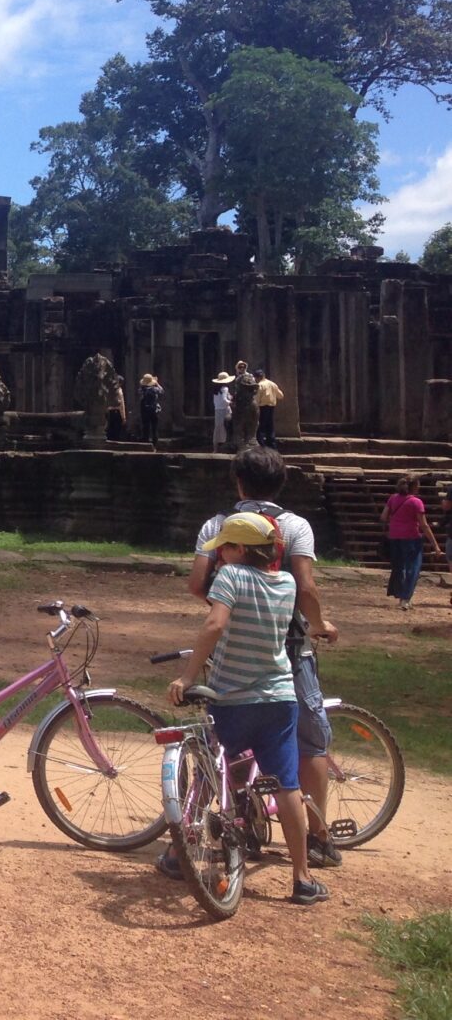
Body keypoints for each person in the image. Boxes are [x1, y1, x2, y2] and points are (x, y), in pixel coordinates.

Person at [188, 444, 342, 872]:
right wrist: (319, 624)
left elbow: (199, 582)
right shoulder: (295, 526)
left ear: (238, 482)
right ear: (282, 481)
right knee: (309, 740)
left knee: (222, 743)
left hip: (232, 648)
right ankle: (316, 838)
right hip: (289, 646)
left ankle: (225, 829)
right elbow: (305, 586)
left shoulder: (218, 526)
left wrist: (233, 608)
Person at [166, 511, 328, 906]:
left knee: (211, 772)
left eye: (223, 549)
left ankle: (177, 853)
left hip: (231, 698)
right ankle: (302, 879)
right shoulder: (287, 582)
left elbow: (215, 625)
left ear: (239, 549)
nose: (218, 556)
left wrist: (187, 677)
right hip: (278, 699)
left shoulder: (231, 577)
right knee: (287, 784)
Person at [383, 476, 442, 611]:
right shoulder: (416, 502)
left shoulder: (393, 498)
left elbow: (383, 516)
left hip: (394, 536)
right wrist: (435, 545)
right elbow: (424, 525)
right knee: (413, 568)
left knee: (399, 567)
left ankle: (400, 596)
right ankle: (405, 598)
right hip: (411, 538)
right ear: (414, 487)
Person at [255, 369, 283, 448]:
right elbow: (281, 396)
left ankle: (261, 446)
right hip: (271, 407)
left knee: (260, 427)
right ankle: (272, 446)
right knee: (270, 427)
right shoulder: (272, 384)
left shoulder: (260, 385)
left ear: (257, 378)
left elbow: (257, 399)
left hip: (262, 408)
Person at [138, 372, 164, 446]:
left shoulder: (142, 389)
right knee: (154, 426)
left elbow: (140, 390)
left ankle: (145, 441)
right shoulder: (154, 389)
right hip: (153, 409)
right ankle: (154, 442)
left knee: (145, 425)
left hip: (144, 409)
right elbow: (162, 391)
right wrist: (157, 383)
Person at [211, 370, 233, 449]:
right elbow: (224, 399)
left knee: (218, 427)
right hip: (225, 409)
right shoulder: (225, 388)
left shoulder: (216, 389)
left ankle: (215, 447)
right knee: (227, 427)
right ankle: (226, 445)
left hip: (217, 410)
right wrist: (230, 402)